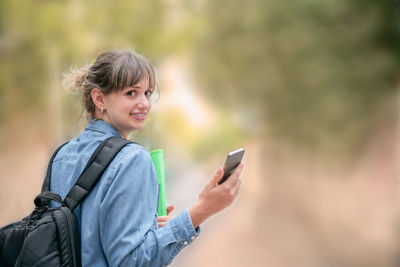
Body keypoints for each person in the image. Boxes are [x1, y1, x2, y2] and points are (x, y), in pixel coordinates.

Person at [51, 48, 244, 266]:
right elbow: (131, 262)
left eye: (148, 93)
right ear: (99, 99)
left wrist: (148, 230)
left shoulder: (61, 156)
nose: (144, 103)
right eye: (131, 93)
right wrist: (202, 210)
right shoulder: (132, 158)